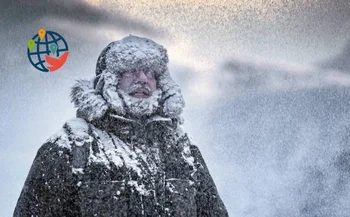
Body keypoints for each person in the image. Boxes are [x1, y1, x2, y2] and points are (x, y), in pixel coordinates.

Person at [14, 35, 229, 217]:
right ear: (109, 80)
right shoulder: (70, 147)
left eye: (151, 72)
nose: (143, 78)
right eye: (131, 70)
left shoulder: (182, 150)